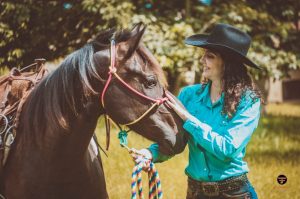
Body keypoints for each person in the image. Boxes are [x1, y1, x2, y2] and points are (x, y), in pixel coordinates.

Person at [131, 23, 263, 199]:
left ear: (227, 63)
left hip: (234, 194)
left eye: (210, 56)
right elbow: (176, 138)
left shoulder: (249, 101)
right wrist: (150, 153)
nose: (202, 61)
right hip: (195, 192)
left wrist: (188, 119)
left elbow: (228, 148)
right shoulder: (189, 95)